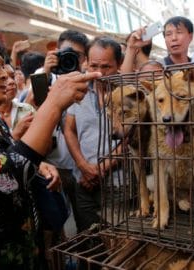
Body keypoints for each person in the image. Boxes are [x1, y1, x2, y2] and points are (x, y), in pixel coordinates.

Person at [0, 27, 101, 269]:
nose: (6, 73)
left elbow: (10, 155)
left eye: (5, 65)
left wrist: (40, 164)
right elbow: (5, 175)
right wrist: (53, 103)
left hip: (21, 249)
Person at [32, 30, 89, 234]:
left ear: (85, 58)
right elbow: (32, 107)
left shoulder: (90, 80)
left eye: (78, 55)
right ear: (56, 53)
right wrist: (45, 71)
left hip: (84, 165)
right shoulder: (46, 80)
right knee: (59, 224)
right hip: (54, 166)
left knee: (85, 224)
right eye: (66, 53)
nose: (71, 59)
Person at [63, 36, 123, 233]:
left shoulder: (129, 91)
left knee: (119, 241)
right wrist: (82, 165)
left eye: (106, 66)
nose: (99, 72)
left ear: (119, 64)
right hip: (83, 183)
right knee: (89, 240)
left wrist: (101, 168)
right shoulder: (77, 90)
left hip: (118, 184)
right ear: (86, 62)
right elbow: (69, 130)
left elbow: (132, 138)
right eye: (93, 65)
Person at [0, 60, 35, 140]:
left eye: (13, 77)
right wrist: (15, 134)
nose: (12, 82)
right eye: (4, 78)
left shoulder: (27, 109)